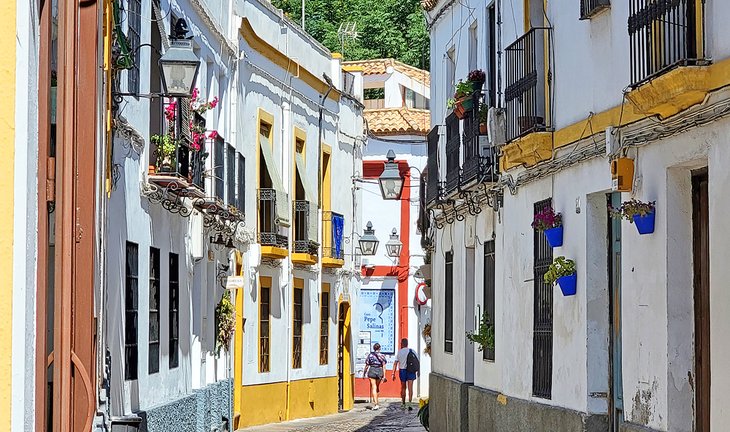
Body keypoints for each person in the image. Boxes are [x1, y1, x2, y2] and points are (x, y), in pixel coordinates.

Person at [392, 338, 419, 410]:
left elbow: (395, 363)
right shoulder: (412, 351)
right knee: (410, 388)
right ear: (407, 344)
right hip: (411, 370)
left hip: (402, 370)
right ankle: (410, 403)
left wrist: (393, 373)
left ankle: (403, 403)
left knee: (403, 387)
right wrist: (418, 371)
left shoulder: (399, 352)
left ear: (402, 344)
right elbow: (417, 361)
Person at [362, 343, 387, 410]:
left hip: (372, 370)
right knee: (377, 387)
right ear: (379, 348)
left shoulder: (370, 355)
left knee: (374, 387)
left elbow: (367, 365)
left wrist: (364, 373)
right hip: (379, 371)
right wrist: (384, 376)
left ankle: (376, 403)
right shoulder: (382, 356)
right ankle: (376, 402)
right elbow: (384, 366)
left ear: (374, 348)